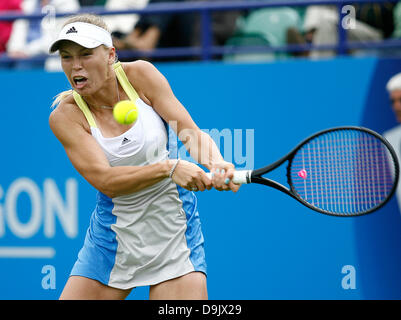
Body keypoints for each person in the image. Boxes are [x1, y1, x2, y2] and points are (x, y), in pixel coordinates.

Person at [48, 13, 239, 300]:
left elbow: (190, 131)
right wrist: (169, 168)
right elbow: (106, 180)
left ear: (110, 54)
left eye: (86, 55)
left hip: (173, 235)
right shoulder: (66, 117)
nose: (75, 65)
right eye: (66, 56)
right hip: (111, 240)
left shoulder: (141, 75)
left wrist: (216, 162)